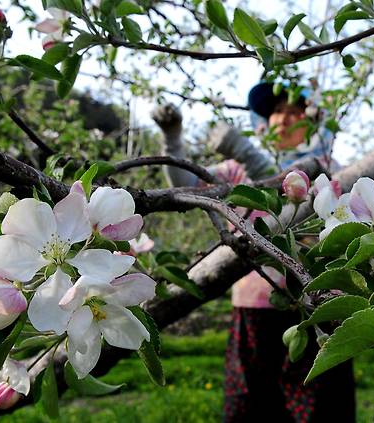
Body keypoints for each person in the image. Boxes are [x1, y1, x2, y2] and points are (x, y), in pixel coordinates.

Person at [153, 81, 355, 423]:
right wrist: (172, 137)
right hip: (254, 302)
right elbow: (183, 187)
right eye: (278, 111)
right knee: (252, 404)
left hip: (316, 303)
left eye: (295, 112)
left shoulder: (325, 166)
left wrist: (250, 154)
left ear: (312, 121)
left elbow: (295, 203)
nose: (286, 118)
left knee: (320, 405)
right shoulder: (236, 170)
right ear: (264, 120)